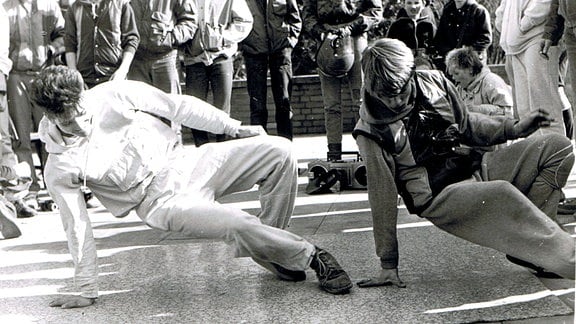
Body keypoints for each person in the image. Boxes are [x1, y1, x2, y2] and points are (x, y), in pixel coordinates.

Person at [32, 66, 353, 308]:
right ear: (48, 116)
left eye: (80, 115)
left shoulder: (112, 94)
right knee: (236, 223)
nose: (79, 126)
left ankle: (276, 252)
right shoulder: (59, 167)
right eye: (67, 123)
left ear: (84, 93)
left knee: (280, 151)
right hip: (159, 202)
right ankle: (310, 256)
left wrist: (233, 128)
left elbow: (178, 107)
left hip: (186, 162)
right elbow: (77, 226)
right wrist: (86, 288)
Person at [352, 39, 575, 290]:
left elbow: (468, 125)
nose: (395, 103)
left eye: (401, 92)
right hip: (440, 195)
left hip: (476, 167)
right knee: (501, 193)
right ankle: (570, 259)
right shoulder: (370, 131)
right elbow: (381, 197)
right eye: (385, 96)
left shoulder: (434, 81)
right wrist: (388, 263)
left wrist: (514, 128)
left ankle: (536, 253)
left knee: (557, 147)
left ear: (411, 73)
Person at [302, 0, 383, 161]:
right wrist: (320, 32)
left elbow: (375, 11)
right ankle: (334, 153)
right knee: (331, 104)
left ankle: (366, 150)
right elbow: (308, 14)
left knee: (360, 99)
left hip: (355, 36)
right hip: (326, 37)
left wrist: (351, 27)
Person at [3, 0, 65, 200]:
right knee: (21, 136)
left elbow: (62, 33)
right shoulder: (6, 8)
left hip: (43, 74)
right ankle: (30, 188)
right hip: (15, 75)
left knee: (50, 133)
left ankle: (54, 185)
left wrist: (52, 48)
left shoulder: (49, 5)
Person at [183, 0, 253, 146]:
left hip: (221, 57)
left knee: (222, 110)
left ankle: (222, 150)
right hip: (194, 59)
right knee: (194, 109)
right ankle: (201, 149)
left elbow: (245, 20)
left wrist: (222, 37)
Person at [495, 0, 566, 137]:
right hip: (515, 42)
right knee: (524, 107)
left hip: (537, 37)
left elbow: (544, 3)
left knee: (544, 101)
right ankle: (535, 150)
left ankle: (557, 151)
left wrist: (525, 23)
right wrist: (504, 23)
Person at [240, 0, 301, 141]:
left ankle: (286, 147)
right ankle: (260, 149)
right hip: (253, 51)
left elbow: (295, 18)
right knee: (257, 105)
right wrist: (243, 44)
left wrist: (289, 42)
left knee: (284, 103)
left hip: (280, 50)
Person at [63, 0, 140, 89]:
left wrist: (122, 71)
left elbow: (131, 40)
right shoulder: (74, 8)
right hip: (85, 80)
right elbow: (69, 44)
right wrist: (75, 76)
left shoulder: (121, 5)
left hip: (113, 77)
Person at [128, 0, 197, 94]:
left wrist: (171, 39)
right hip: (137, 61)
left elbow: (189, 22)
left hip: (165, 60)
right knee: (138, 104)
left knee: (170, 104)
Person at [445, 47, 513, 117]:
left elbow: (508, 111)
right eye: (451, 75)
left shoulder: (491, 82)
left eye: (456, 73)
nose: (453, 78)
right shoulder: (460, 89)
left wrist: (477, 110)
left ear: (470, 69)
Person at [432, 0, 491, 72]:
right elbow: (440, 38)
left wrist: (466, 53)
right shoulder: (447, 11)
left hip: (472, 64)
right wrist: (449, 54)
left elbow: (485, 39)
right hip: (451, 65)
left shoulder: (478, 11)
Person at [387, 0, 436, 70]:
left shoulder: (429, 25)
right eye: (409, 3)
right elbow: (390, 48)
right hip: (403, 65)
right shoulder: (397, 26)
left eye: (416, 3)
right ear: (404, 5)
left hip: (424, 66)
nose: (413, 6)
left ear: (423, 4)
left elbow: (436, 46)